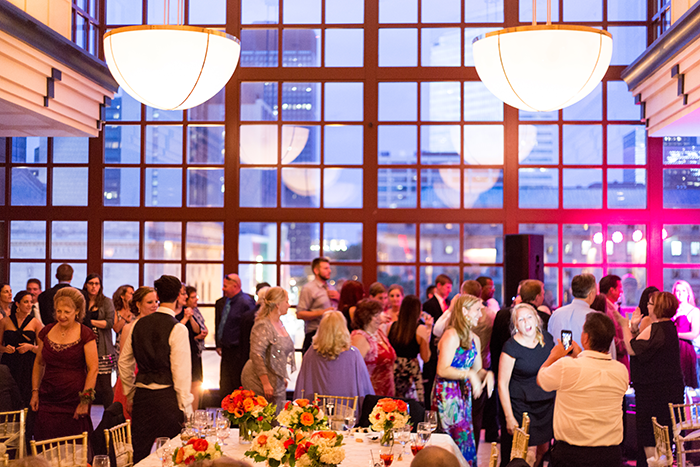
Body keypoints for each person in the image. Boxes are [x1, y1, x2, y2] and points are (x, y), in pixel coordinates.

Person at [537, 313, 629, 467]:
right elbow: (593, 372)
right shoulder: (621, 371)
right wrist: (579, 355)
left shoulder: (567, 366)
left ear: (585, 338)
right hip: (610, 456)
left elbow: (541, 378)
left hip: (572, 456)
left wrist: (555, 355)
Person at [119, 275, 193, 463]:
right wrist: (187, 409)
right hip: (167, 400)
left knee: (140, 454)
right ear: (178, 295)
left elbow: (124, 362)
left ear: (158, 295)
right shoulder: (177, 328)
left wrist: (129, 392)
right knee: (171, 456)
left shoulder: (138, 324)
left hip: (142, 398)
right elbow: (181, 373)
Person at [612, 291, 684, 467]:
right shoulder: (668, 327)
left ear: (658, 308)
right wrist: (635, 328)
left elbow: (632, 349)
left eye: (650, 304)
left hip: (655, 393)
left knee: (652, 436)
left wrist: (623, 324)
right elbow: (643, 346)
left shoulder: (657, 328)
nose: (647, 307)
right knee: (662, 437)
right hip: (666, 389)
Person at [30, 287, 98, 443]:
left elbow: (93, 369)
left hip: (74, 401)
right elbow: (39, 363)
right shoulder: (46, 331)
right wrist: (35, 392)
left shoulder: (85, 334)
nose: (61, 316)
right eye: (58, 311)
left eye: (67, 312)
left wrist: (85, 402)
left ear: (77, 311)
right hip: (47, 399)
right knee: (45, 446)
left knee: (74, 449)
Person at [431, 294, 488, 466]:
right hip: (447, 396)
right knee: (451, 442)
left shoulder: (475, 339)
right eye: (477, 310)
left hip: (463, 396)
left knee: (465, 440)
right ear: (464, 311)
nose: (480, 315)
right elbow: (442, 369)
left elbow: (478, 370)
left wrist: (488, 375)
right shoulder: (451, 335)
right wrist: (468, 374)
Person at [498, 303, 555, 467]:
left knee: (543, 449)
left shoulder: (547, 339)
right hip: (522, 407)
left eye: (529, 317)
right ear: (516, 325)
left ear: (537, 319)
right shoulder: (511, 346)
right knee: (527, 454)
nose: (526, 322)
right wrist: (509, 417)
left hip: (546, 404)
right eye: (521, 319)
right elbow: (502, 384)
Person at [294, 311, 374, 413]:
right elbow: (364, 388)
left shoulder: (311, 353)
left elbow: (303, 386)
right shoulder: (354, 354)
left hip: (317, 413)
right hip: (347, 413)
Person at [241, 287, 296, 412]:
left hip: (275, 378)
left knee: (277, 419)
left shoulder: (279, 322)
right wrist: (265, 382)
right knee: (263, 420)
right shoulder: (263, 325)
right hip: (257, 379)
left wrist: (281, 377)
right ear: (277, 304)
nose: (289, 305)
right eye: (286, 302)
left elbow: (278, 354)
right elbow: (256, 354)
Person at [113, 286, 158, 420]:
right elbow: (124, 360)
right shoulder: (129, 327)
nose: (154, 305)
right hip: (132, 378)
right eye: (150, 302)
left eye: (156, 302)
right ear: (138, 305)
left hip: (153, 379)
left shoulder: (159, 326)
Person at [215, 273, 256, 399]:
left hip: (238, 352)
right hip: (227, 351)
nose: (223, 289)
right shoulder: (226, 302)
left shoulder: (246, 302)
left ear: (235, 285)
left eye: (225, 286)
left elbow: (250, 328)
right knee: (225, 386)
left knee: (236, 386)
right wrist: (219, 343)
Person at [0, 290, 42, 407]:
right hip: (9, 362)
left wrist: (30, 347)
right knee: (9, 393)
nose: (29, 305)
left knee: (25, 393)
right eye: (26, 302)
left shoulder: (35, 322)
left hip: (28, 363)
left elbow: (41, 348)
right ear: (17, 304)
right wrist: (4, 349)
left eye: (31, 302)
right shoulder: (5, 321)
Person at [388, 295, 432, 401]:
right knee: (412, 407)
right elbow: (425, 357)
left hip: (395, 369)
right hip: (411, 371)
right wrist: (429, 330)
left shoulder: (392, 326)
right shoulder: (420, 329)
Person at [82, 274, 116, 409]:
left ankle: (110, 416)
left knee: (105, 384)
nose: (94, 286)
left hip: (103, 347)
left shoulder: (106, 301)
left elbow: (109, 322)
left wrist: (90, 322)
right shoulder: (82, 301)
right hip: (85, 345)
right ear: (86, 285)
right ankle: (85, 410)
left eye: (96, 283)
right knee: (87, 382)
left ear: (100, 286)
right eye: (91, 283)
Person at [351, 298, 397, 397]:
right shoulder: (360, 338)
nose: (380, 319)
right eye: (376, 316)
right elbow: (353, 370)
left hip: (387, 390)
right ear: (366, 317)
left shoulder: (379, 333)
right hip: (370, 394)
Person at [423, 274, 453, 408]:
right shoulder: (429, 304)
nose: (449, 291)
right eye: (447, 287)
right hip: (433, 348)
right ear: (439, 286)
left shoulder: (449, 303)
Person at [297, 257, 339, 354]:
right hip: (315, 334)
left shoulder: (331, 287)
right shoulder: (308, 288)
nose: (329, 270)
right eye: (325, 268)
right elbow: (300, 314)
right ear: (316, 271)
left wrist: (339, 298)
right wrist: (323, 312)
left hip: (332, 334)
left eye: (329, 268)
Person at [547, 273, 597, 345]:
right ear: (591, 293)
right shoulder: (595, 318)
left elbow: (549, 343)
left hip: (558, 356)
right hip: (585, 356)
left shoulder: (556, 314)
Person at [175, 284, 203, 411]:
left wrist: (190, 317)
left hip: (192, 352)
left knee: (195, 386)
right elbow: (174, 332)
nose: (186, 297)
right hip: (179, 353)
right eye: (184, 294)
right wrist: (185, 318)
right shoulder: (171, 314)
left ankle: (194, 417)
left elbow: (197, 330)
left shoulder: (187, 310)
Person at [672, 280, 700, 391]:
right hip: (672, 349)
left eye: (683, 290)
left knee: (686, 384)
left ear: (688, 293)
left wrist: (675, 334)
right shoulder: (672, 310)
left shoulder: (694, 311)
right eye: (677, 291)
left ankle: (687, 408)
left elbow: (694, 334)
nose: (680, 293)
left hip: (685, 350)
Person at [185, 285, 208, 410]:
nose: (196, 300)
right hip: (189, 352)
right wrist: (196, 336)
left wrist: (203, 332)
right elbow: (191, 332)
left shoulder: (196, 310)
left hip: (197, 352)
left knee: (197, 383)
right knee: (192, 384)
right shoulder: (184, 312)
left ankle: (196, 412)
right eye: (193, 297)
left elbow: (201, 327)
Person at [600, 275, 628, 370]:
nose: (622, 291)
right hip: (615, 361)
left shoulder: (614, 308)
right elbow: (609, 338)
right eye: (620, 288)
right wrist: (628, 343)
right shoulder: (606, 310)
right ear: (612, 290)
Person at [111, 284, 134, 349]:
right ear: (122, 296)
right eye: (130, 293)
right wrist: (124, 317)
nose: (133, 296)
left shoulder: (136, 310)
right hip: (120, 345)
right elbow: (116, 329)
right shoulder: (116, 311)